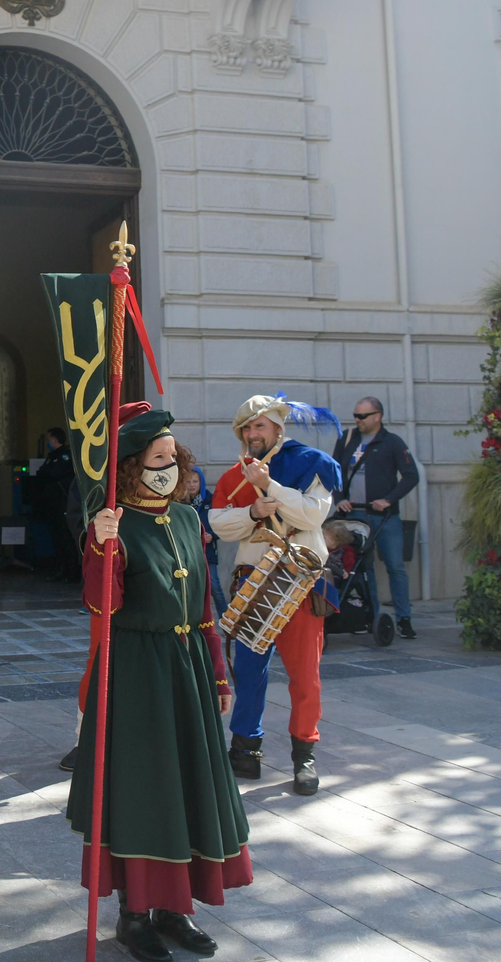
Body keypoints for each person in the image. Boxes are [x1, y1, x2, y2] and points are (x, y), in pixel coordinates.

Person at [70, 403, 249, 962]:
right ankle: (134, 915)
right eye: (158, 458)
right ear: (130, 466)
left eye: (174, 457)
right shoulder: (113, 525)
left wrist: (219, 673)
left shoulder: (189, 520)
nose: (169, 466)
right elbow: (104, 604)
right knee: (143, 789)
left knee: (187, 785)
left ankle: (176, 909)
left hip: (188, 665)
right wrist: (101, 546)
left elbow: (202, 604)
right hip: (135, 670)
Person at [209, 394, 342, 796]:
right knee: (248, 672)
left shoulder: (311, 464)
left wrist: (270, 488)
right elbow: (217, 523)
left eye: (259, 426)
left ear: (277, 430)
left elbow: (311, 516)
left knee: (305, 675)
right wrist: (251, 513)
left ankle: (305, 756)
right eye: (246, 428)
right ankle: (245, 750)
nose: (252, 434)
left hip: (299, 581)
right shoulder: (235, 475)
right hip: (253, 581)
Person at [332, 397, 420, 639]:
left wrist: (389, 499)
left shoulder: (391, 442)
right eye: (356, 416)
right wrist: (340, 498)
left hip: (384, 517)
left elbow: (411, 476)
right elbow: (333, 473)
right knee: (362, 568)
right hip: (354, 516)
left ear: (377, 416)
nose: (358, 421)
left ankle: (404, 619)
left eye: (362, 416)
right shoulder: (347, 439)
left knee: (395, 566)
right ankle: (370, 616)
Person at [34, 427, 80, 581]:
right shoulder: (52, 456)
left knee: (65, 537)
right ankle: (61, 569)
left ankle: (72, 572)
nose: (49, 442)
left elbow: (52, 473)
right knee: (56, 538)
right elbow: (41, 473)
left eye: (50, 439)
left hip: (63, 503)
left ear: (54, 439)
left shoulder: (65, 456)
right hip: (52, 504)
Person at [186, 466, 227, 617]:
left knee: (214, 586)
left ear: (201, 482)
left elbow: (223, 523)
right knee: (192, 587)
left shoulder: (211, 500)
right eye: (188, 481)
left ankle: (227, 624)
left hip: (208, 551)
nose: (191, 485)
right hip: (189, 553)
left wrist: (212, 535)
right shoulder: (182, 504)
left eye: (195, 481)